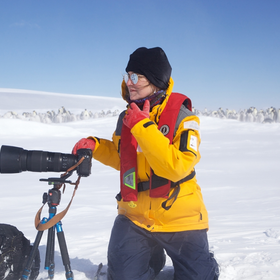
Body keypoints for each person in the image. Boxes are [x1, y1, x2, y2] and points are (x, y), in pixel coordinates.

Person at [72, 47, 219, 280]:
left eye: (135, 76)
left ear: (155, 80)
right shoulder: (126, 116)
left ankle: (204, 264)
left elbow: (176, 167)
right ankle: (152, 255)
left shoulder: (184, 117)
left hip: (180, 216)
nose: (129, 83)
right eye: (126, 75)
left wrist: (143, 127)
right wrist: (95, 146)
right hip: (135, 216)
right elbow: (124, 158)